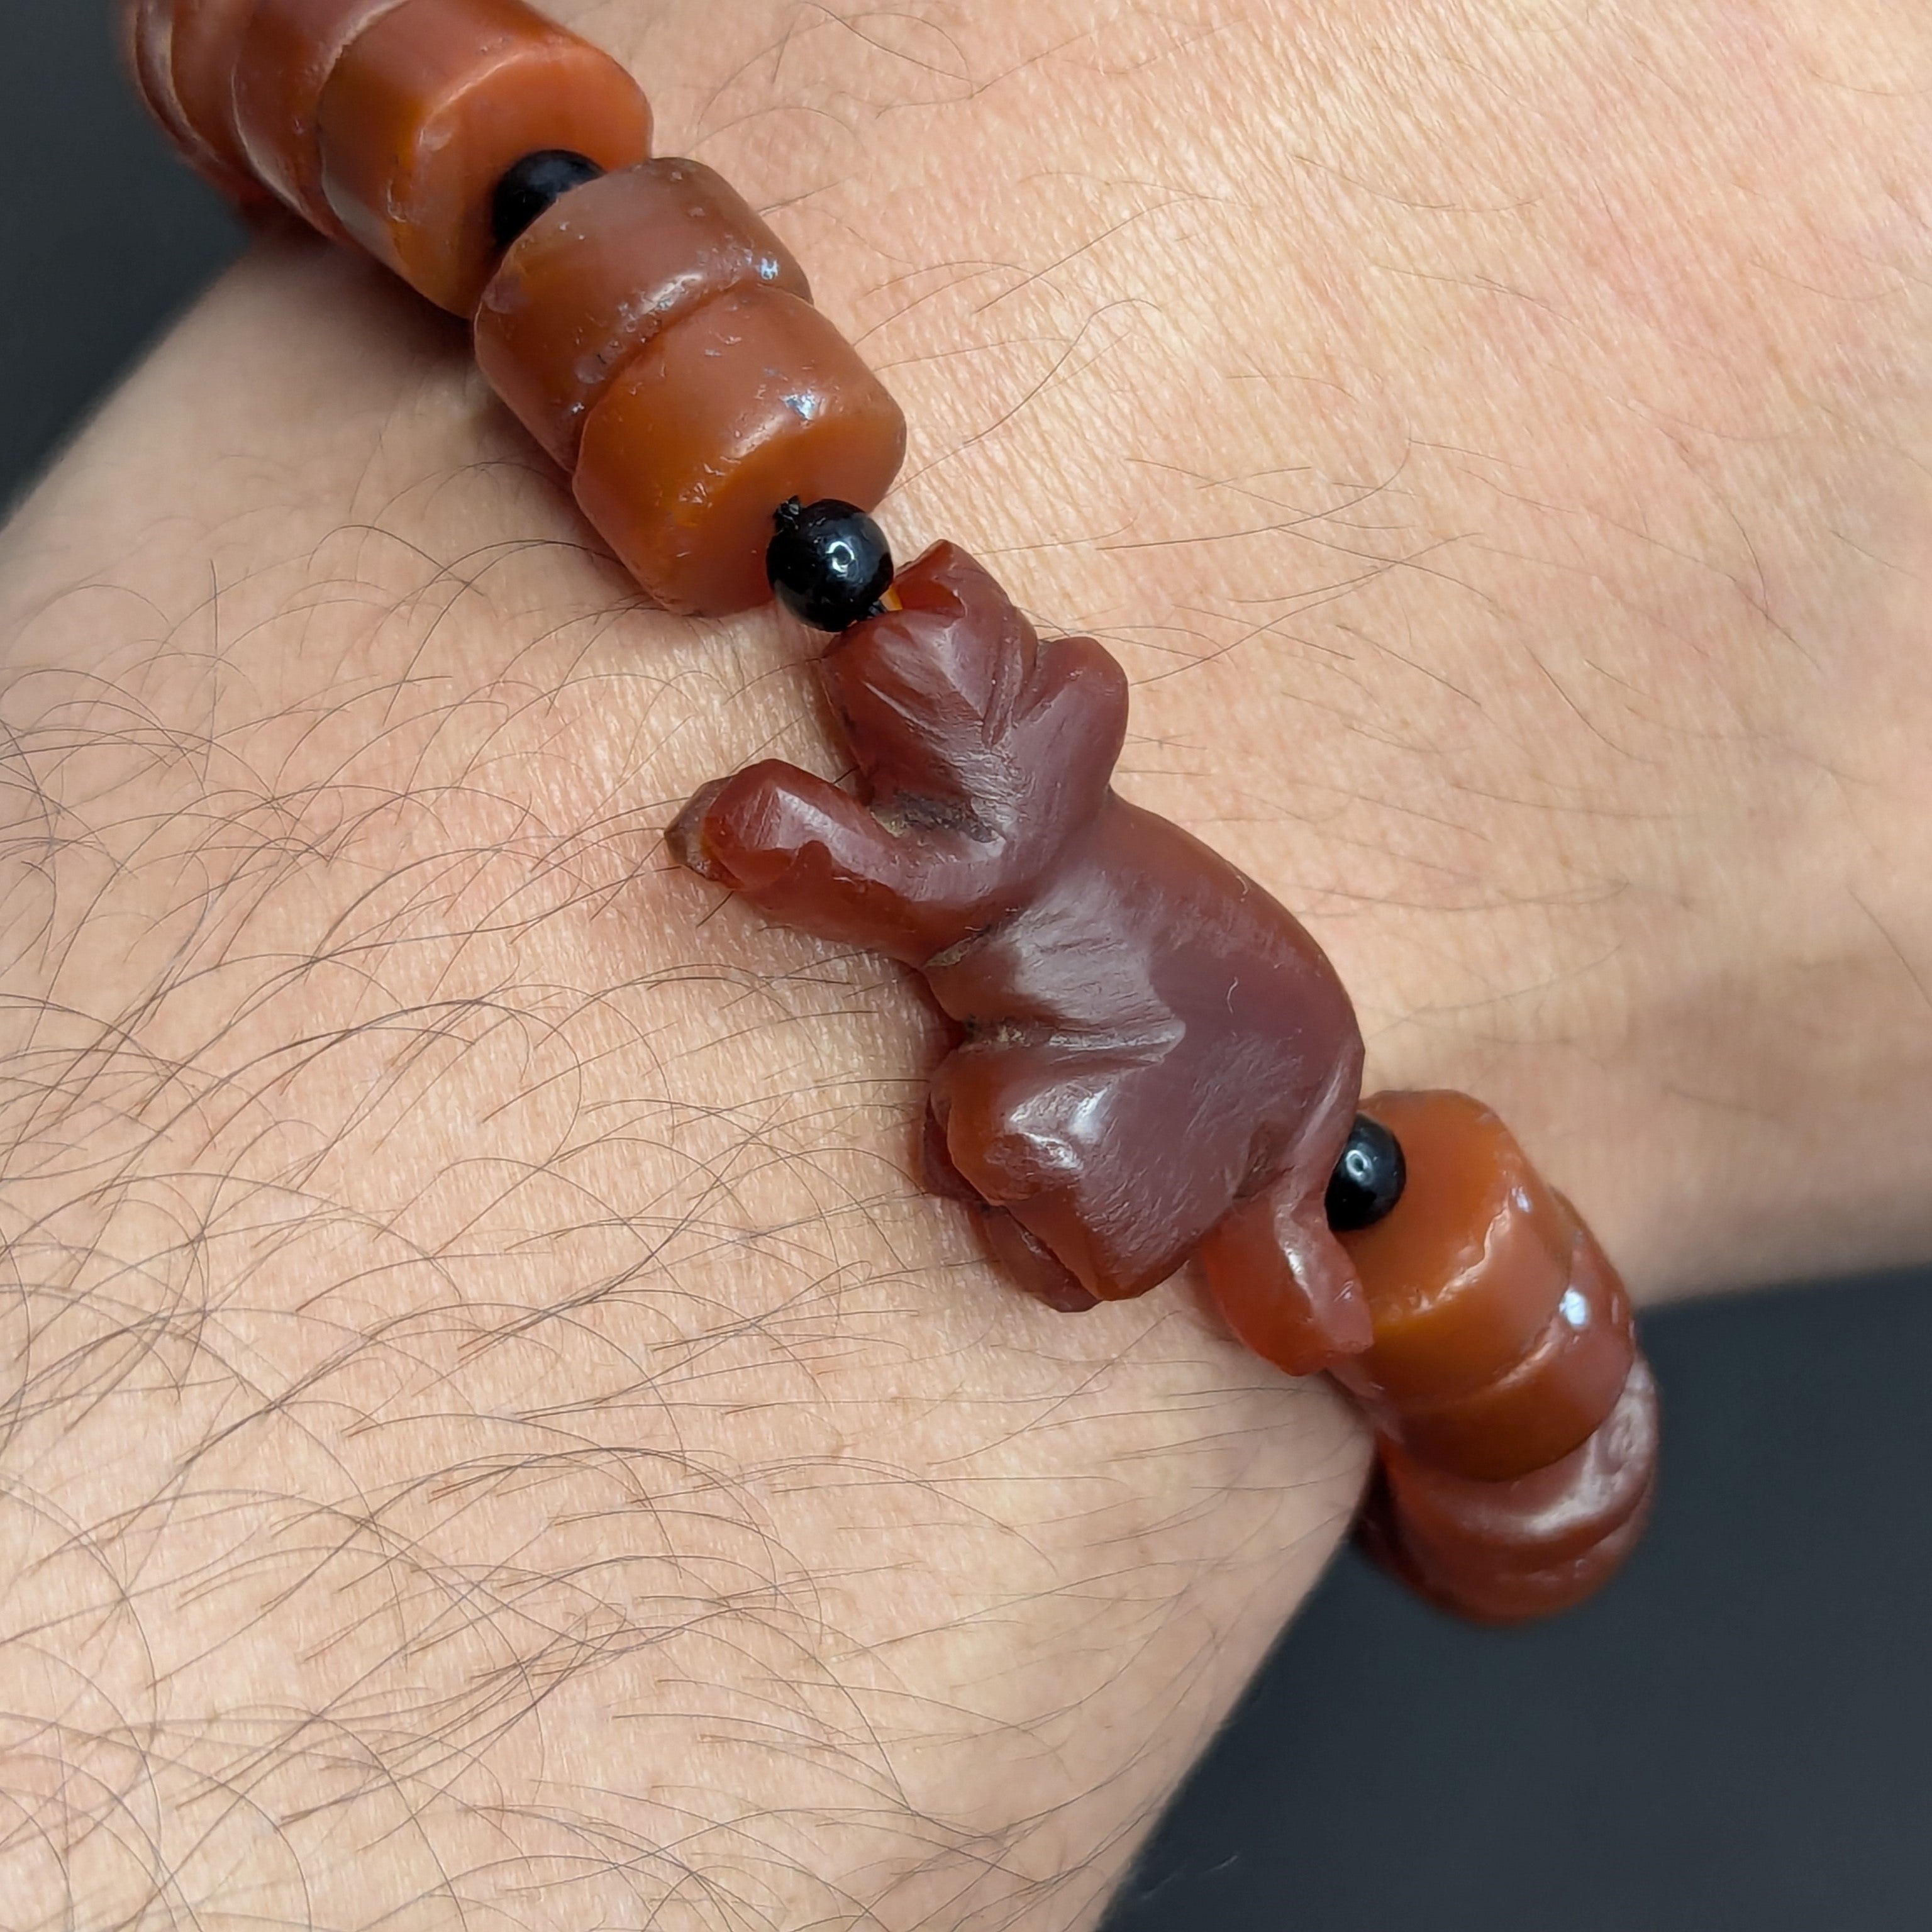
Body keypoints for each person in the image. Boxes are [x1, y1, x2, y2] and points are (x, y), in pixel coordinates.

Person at [0, 1, 1926, 1923]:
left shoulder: (1005, 805)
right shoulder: (1018, 768)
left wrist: (784, 830)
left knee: (1045, 1156)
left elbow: (911, 870)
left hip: (1205, 1072)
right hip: (1236, 1069)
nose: (900, 651)